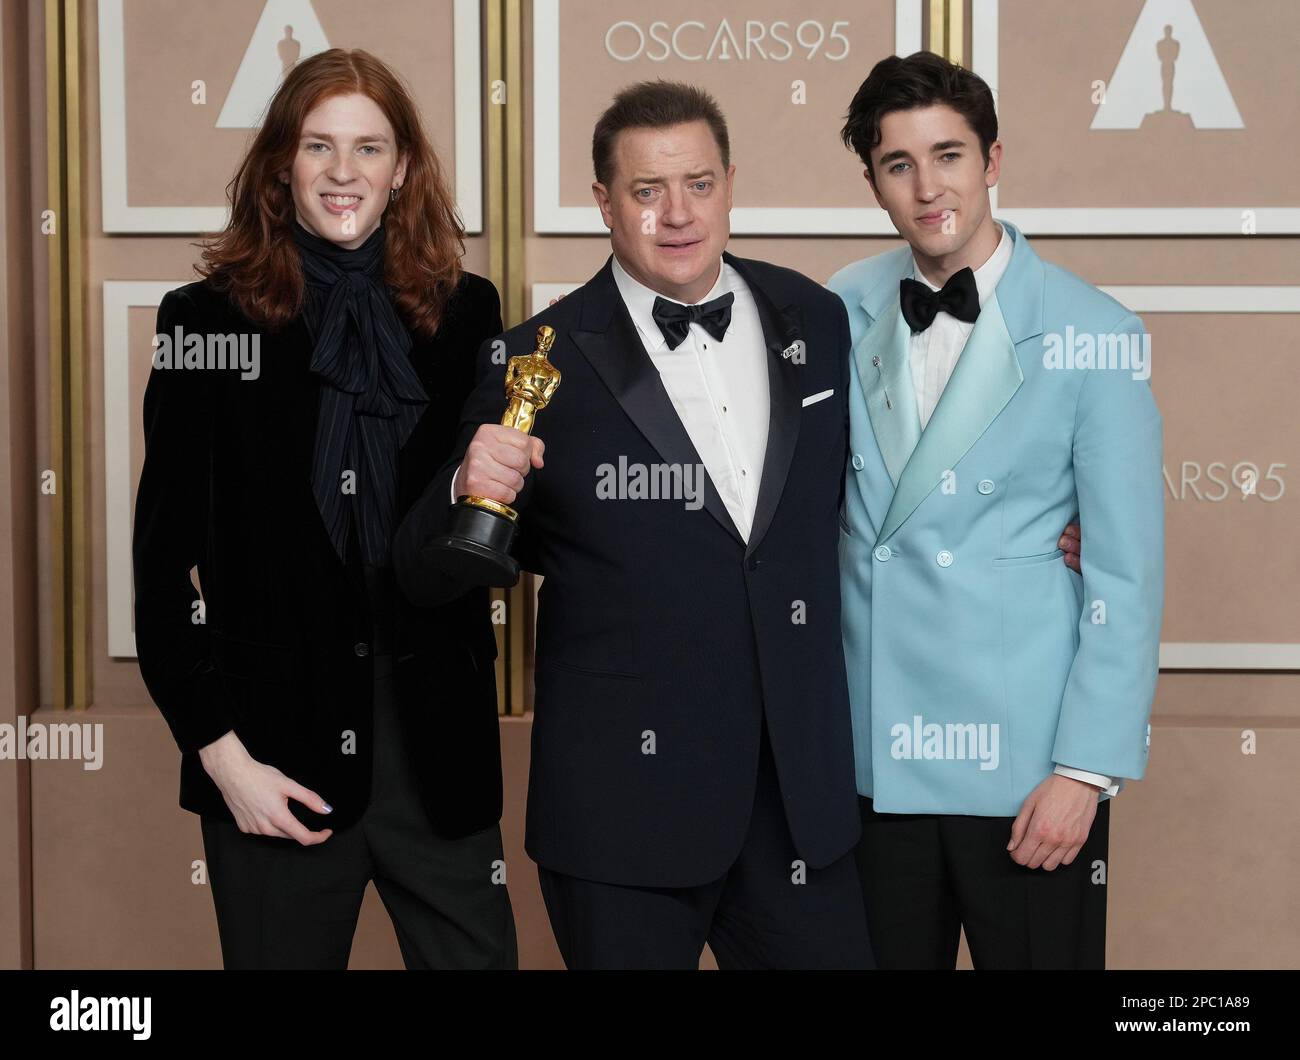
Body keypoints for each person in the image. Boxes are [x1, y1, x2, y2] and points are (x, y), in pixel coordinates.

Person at [394, 80, 873, 969]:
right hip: (620, 814)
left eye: (698, 183)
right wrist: (465, 481)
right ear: (603, 203)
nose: (678, 213)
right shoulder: (533, 356)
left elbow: (861, 498)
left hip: (797, 802)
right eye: (647, 191)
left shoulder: (817, 318)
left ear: (730, 182)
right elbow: (427, 572)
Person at [133, 49, 516, 969]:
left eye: (370, 148)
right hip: (273, 761)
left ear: (404, 169)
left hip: (438, 754)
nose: (345, 172)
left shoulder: (470, 315)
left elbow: (494, 528)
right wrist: (225, 762)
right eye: (319, 146)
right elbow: (159, 567)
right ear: (280, 165)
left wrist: (492, 494)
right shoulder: (204, 322)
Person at [828, 51, 1164, 968]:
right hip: (872, 767)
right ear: (873, 182)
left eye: (949, 156)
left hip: (1027, 774)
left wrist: (1084, 773)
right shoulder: (835, 308)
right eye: (899, 165)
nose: (928, 188)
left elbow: (1126, 577)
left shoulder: (1096, 333)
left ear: (993, 161)